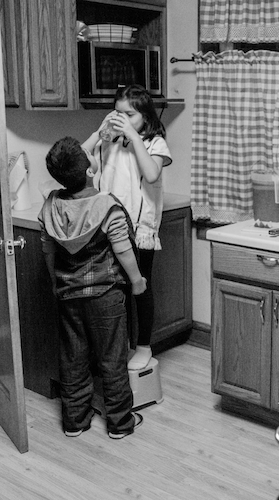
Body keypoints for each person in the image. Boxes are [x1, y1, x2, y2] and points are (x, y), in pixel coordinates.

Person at [39, 136, 147, 439]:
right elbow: (123, 250)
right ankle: (120, 423)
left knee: (73, 358)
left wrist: (54, 281)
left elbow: (48, 251)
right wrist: (137, 281)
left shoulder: (51, 205)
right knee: (112, 358)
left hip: (68, 294)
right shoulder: (106, 205)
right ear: (89, 171)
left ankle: (75, 421)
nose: (92, 152)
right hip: (105, 295)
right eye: (88, 153)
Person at [83, 84, 172, 371]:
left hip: (139, 227)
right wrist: (100, 132)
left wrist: (133, 136)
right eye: (118, 112)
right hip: (108, 225)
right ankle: (119, 347)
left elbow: (151, 172)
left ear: (145, 116)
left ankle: (144, 345)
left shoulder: (154, 143)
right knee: (115, 290)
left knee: (140, 285)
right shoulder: (109, 141)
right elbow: (81, 159)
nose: (122, 119)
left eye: (129, 114)